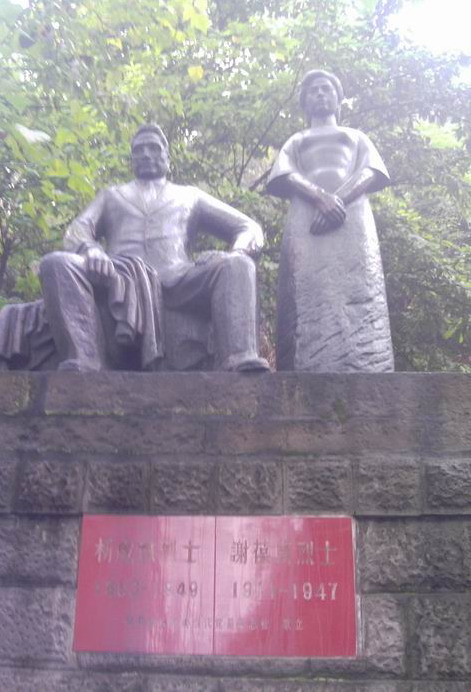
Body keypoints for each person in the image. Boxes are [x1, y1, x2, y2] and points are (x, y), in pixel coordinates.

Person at [0, 124, 269, 372]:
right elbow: (77, 229)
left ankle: (238, 357)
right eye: (139, 150)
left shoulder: (190, 196)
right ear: (131, 159)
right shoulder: (112, 195)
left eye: (154, 148)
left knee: (238, 265)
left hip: (179, 279)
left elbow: (249, 227)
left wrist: (236, 252)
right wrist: (91, 250)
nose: (146, 154)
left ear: (167, 157)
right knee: (56, 263)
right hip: (119, 277)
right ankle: (86, 358)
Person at [267, 70, 394, 373]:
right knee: (306, 287)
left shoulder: (356, 137)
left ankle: (367, 363)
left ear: (338, 99)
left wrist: (337, 200)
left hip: (353, 220)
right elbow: (285, 174)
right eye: (313, 91)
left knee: (358, 286)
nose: (321, 95)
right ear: (305, 102)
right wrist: (319, 198)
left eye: (326, 89)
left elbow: (372, 171)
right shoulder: (296, 140)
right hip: (306, 220)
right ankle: (304, 363)